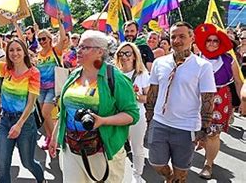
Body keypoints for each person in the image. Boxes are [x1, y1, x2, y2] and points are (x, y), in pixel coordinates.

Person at [48, 30, 139, 182]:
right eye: (79, 47)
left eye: (85, 47)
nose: (79, 50)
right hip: (72, 149)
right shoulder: (73, 75)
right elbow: (64, 111)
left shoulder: (117, 79)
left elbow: (132, 114)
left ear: (100, 52)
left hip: (102, 151)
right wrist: (55, 137)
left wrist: (103, 121)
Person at [145, 22, 216, 183]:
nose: (176, 40)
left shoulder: (203, 66)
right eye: (173, 36)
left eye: (182, 36)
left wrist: (204, 129)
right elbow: (152, 93)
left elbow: (208, 99)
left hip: (186, 127)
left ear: (192, 38)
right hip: (160, 123)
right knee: (156, 163)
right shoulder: (159, 62)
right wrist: (150, 120)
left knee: (181, 175)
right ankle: (168, 176)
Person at [0, 24, 45, 183]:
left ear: (24, 52)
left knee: (28, 163)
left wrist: (19, 125)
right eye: (11, 50)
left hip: (25, 122)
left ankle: (41, 180)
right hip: (5, 121)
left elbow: (31, 104)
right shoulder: (5, 68)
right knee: (3, 166)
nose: (15, 53)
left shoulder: (33, 72)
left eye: (18, 50)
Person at [193, 24, 243, 179]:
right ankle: (200, 142)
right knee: (194, 130)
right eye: (209, 40)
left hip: (220, 100)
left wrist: (242, 102)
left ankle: (208, 164)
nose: (212, 43)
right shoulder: (195, 58)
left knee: (214, 134)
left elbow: (237, 82)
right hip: (196, 99)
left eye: (216, 40)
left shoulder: (229, 61)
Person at [114, 42, 150, 183]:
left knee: (137, 147)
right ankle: (117, 176)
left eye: (128, 53)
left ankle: (137, 176)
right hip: (117, 116)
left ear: (135, 56)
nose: (124, 57)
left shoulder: (142, 75)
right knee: (116, 148)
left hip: (137, 116)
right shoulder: (115, 74)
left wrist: (135, 96)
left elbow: (148, 98)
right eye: (121, 54)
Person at [35, 17, 67, 150]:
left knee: (46, 113)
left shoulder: (55, 51)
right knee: (44, 115)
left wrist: (60, 22)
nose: (42, 41)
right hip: (41, 88)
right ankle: (49, 137)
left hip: (53, 88)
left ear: (49, 39)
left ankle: (56, 139)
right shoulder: (38, 54)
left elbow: (63, 38)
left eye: (44, 38)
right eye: (39, 39)